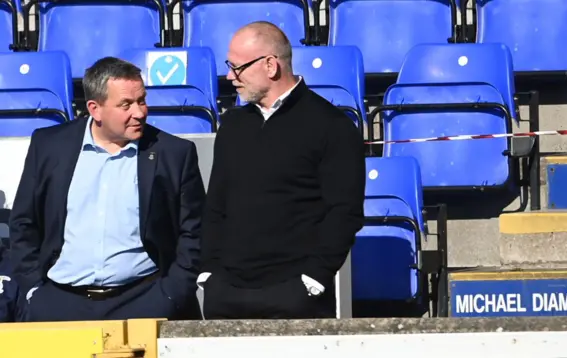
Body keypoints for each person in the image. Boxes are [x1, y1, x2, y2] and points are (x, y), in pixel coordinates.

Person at [9, 57, 205, 322]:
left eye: (141, 100)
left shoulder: (173, 153)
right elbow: (24, 222)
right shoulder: (49, 146)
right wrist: (34, 290)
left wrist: (170, 295)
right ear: (95, 109)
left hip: (144, 301)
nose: (139, 112)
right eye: (126, 104)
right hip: (59, 304)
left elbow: (194, 231)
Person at [199, 21, 366, 320]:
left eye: (237, 67)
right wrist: (209, 272)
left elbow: (344, 211)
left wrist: (314, 278)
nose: (229, 76)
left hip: (294, 295)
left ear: (270, 65)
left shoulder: (332, 126)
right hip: (225, 294)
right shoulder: (234, 125)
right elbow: (216, 205)